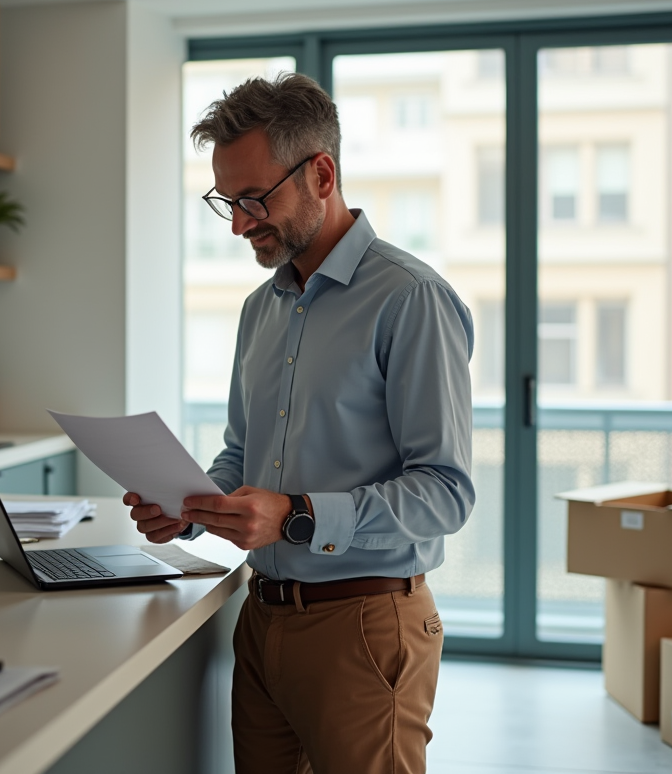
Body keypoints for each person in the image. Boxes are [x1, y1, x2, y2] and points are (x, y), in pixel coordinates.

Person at [125, 72, 475, 774]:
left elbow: (445, 492)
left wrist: (295, 516)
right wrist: (190, 507)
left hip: (365, 629)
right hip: (261, 622)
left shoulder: (411, 300)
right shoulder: (262, 309)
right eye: (227, 201)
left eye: (255, 199)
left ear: (322, 173)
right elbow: (241, 455)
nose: (239, 222)